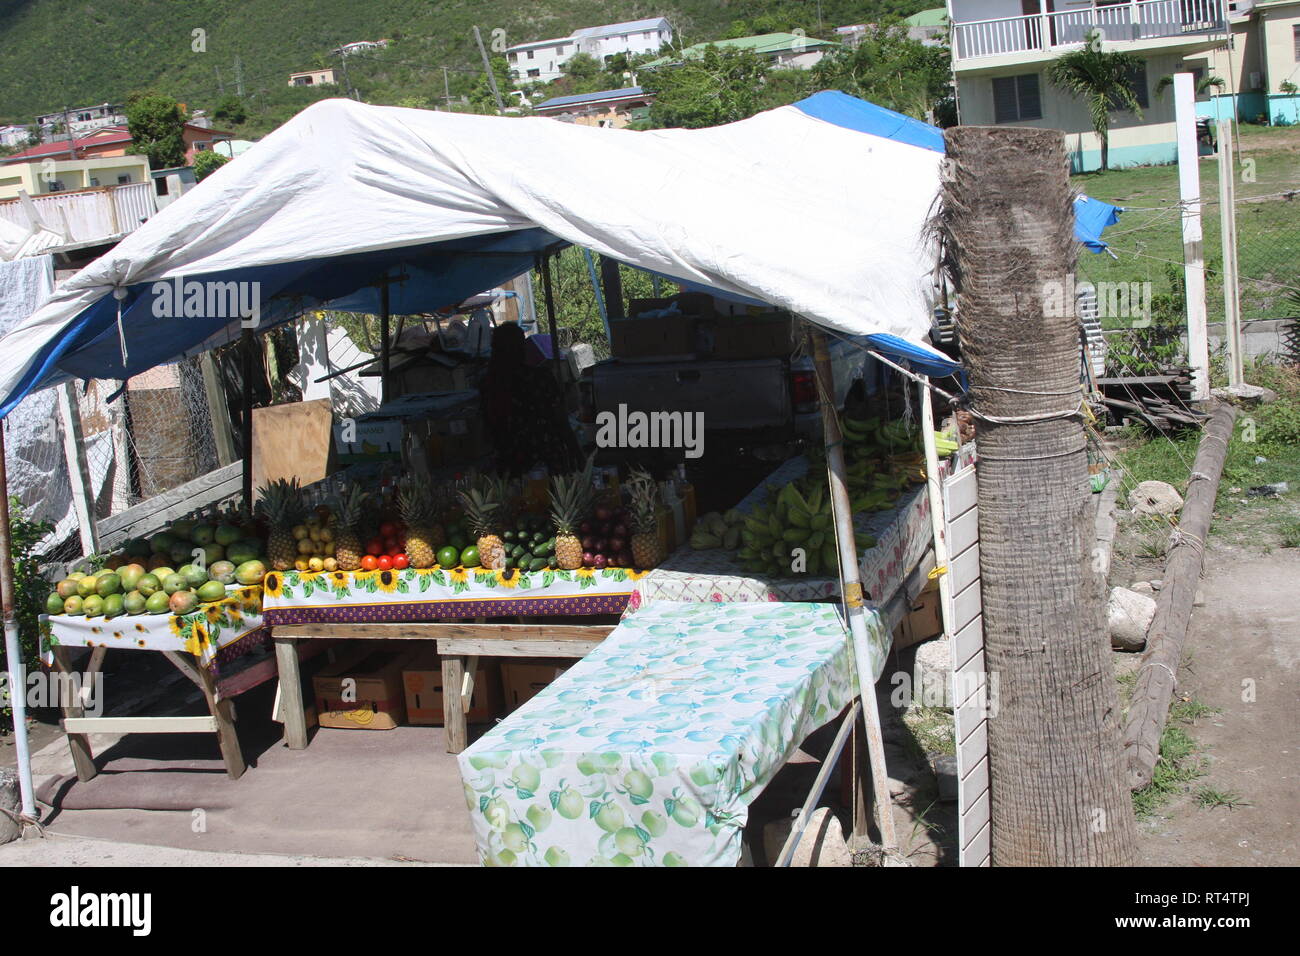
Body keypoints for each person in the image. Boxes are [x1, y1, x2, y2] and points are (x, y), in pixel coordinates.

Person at [479, 322, 580, 477]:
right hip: (546, 458)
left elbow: (488, 432)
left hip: (512, 463)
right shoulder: (540, 378)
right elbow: (561, 421)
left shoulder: (488, 385)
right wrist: (577, 453)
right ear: (521, 348)